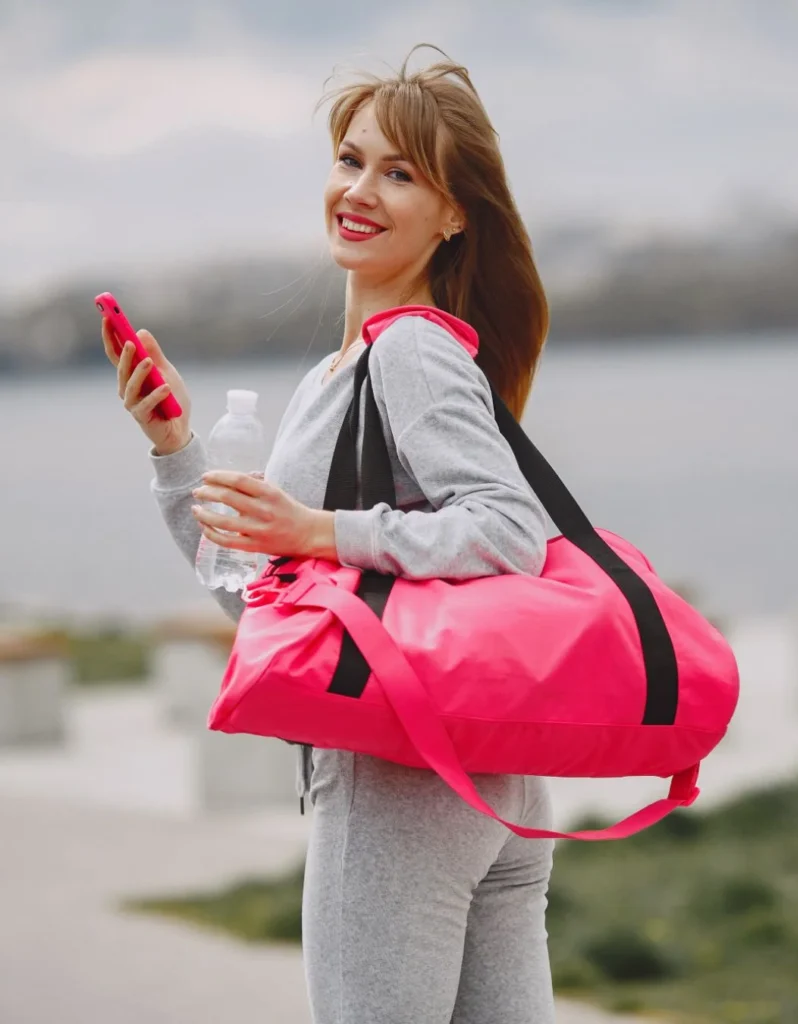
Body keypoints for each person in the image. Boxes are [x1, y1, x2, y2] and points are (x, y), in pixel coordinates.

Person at [103, 45, 556, 1024]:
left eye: (400, 173)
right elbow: (264, 593)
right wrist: (176, 447)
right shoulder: (346, 375)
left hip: (399, 786)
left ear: (455, 213)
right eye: (350, 160)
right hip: (490, 786)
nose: (359, 189)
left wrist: (324, 528)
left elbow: (512, 530)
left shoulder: (412, 357)